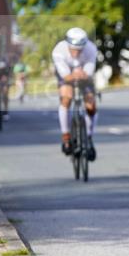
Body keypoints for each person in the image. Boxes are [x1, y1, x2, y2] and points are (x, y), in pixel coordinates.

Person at [52, 27, 99, 160]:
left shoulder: (91, 49)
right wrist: (75, 75)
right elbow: (65, 76)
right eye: (73, 49)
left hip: (84, 75)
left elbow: (89, 72)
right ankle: (66, 136)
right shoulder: (58, 51)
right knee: (66, 98)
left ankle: (89, 136)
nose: (76, 52)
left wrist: (83, 74)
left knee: (91, 105)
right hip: (66, 75)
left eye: (79, 50)